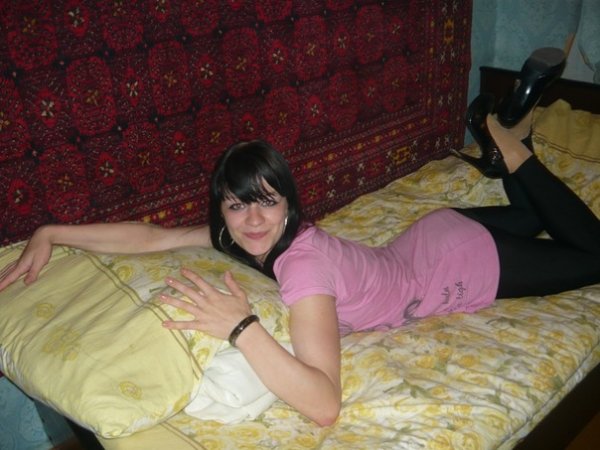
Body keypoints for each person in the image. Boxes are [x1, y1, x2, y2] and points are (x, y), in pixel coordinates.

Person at [1, 48, 599, 427]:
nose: (252, 219)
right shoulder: (241, 237)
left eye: (267, 201)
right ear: (223, 211)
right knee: (536, 217)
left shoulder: (303, 266)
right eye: (237, 204)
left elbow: (324, 404)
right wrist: (51, 231)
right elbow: (151, 239)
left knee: (594, 256)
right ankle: (509, 140)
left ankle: (509, 145)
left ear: (289, 204)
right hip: (433, 235)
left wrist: (241, 327)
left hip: (456, 264)